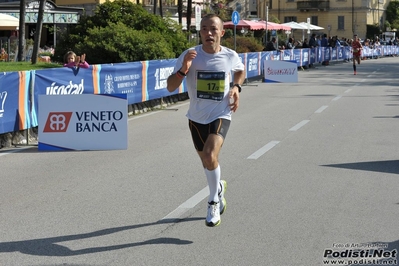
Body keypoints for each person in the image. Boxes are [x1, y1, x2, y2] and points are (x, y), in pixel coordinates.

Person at [166, 14, 245, 227]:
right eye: (203, 29)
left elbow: (240, 70)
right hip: (196, 117)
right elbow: (170, 87)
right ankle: (218, 187)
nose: (208, 33)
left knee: (210, 154)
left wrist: (236, 87)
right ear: (199, 32)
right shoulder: (190, 55)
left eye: (212, 29)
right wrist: (184, 69)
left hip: (221, 113)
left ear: (222, 32)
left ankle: (212, 201)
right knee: (207, 162)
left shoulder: (230, 55)